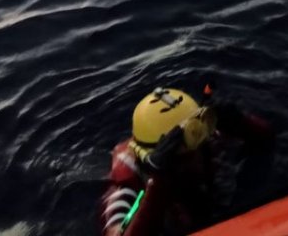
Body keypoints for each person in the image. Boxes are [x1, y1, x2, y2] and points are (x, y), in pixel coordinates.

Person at [100, 84, 274, 236]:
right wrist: (158, 184)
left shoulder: (206, 143)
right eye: (183, 157)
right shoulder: (128, 186)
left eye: (198, 146)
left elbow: (266, 139)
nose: (196, 160)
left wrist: (240, 122)